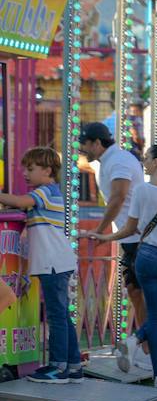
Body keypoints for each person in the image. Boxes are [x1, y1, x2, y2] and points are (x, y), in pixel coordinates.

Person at [87, 144, 157, 389]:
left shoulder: (142, 191)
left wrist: (104, 237)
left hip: (147, 256)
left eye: (147, 158)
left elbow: (129, 228)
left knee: (156, 315)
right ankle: (137, 341)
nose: (143, 162)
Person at [1, 148, 82, 383]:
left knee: (56, 316)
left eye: (31, 169)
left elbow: (19, 201)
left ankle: (58, 367)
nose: (25, 173)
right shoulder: (46, 193)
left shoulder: (45, 192)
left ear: (47, 170)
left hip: (53, 263)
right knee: (62, 315)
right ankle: (74, 365)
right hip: (56, 262)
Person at [78, 122, 147, 342]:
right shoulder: (107, 160)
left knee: (147, 294)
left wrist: (99, 231)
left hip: (139, 239)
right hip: (130, 238)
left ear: (97, 143)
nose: (83, 151)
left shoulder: (118, 161)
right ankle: (147, 345)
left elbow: (118, 197)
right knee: (136, 292)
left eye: (85, 146)